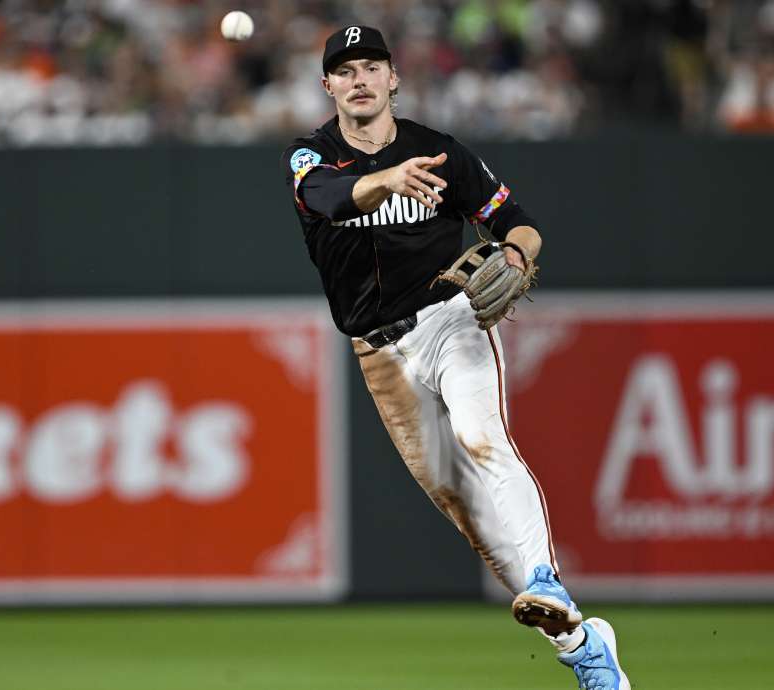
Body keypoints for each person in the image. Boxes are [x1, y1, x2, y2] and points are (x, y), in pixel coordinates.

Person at [281, 25, 630, 690]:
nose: (359, 79)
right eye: (345, 70)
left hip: (451, 322)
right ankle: (583, 643)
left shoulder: (439, 153)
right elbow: (324, 198)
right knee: (459, 502)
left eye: (371, 67)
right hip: (379, 353)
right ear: (328, 85)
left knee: (482, 438)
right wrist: (385, 181)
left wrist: (519, 253)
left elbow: (517, 219)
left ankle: (545, 577)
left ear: (394, 79)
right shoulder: (310, 155)